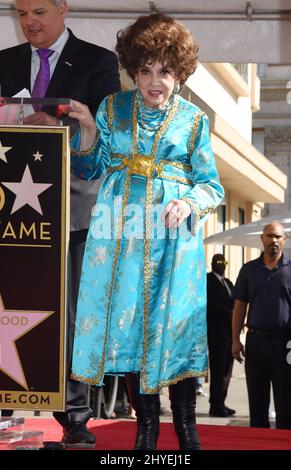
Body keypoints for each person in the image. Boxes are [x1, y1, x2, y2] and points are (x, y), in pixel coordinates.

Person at [67, 13, 224, 450]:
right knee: (133, 330)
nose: (155, 81)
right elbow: (91, 167)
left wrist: (189, 201)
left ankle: (188, 428)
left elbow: (211, 184)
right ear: (133, 70)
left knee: (175, 328)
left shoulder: (194, 120)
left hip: (176, 242)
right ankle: (146, 427)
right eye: (146, 70)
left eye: (166, 71)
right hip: (121, 242)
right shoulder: (112, 109)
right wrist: (86, 133)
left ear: (180, 71)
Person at [0, 0, 120, 447]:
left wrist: (56, 126)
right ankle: (4, 401)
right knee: (6, 305)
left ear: (62, 9)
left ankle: (74, 415)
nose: (29, 21)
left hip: (74, 213)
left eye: (38, 11)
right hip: (10, 216)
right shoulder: (4, 63)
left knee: (72, 314)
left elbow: (107, 135)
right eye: (20, 12)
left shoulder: (98, 62)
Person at [232, 221, 291, 429]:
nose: (273, 240)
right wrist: (235, 341)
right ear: (262, 238)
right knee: (257, 403)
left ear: (284, 240)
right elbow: (239, 306)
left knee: (286, 404)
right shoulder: (249, 270)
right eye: (269, 236)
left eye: (277, 236)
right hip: (255, 343)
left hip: (285, 345)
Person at [207, 254, 235, 417]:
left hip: (230, 334)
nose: (222, 265)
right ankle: (215, 405)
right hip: (216, 333)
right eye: (219, 262)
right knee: (217, 370)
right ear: (212, 264)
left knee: (227, 370)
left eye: (224, 261)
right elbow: (210, 303)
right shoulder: (208, 281)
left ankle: (222, 402)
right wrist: (229, 314)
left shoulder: (228, 283)